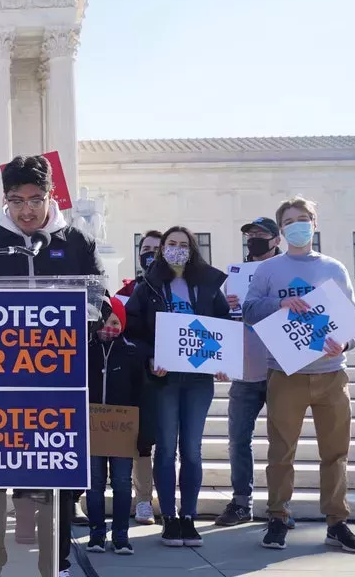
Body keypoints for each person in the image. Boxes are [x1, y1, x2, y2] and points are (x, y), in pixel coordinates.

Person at [0, 155, 102, 577]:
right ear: (5, 200)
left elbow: (97, 298)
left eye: (36, 199)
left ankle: (55, 563)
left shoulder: (75, 242)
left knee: (53, 477)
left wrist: (98, 311)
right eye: (17, 200)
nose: (27, 210)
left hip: (56, 384)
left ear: (50, 196)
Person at [244, 197, 355, 554]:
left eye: (303, 219)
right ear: (281, 230)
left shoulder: (334, 268)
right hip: (285, 373)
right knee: (281, 452)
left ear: (314, 223)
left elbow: (353, 319)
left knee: (335, 452)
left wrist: (343, 345)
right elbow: (250, 310)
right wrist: (279, 303)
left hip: (332, 374)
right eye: (289, 221)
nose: (296, 225)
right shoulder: (269, 270)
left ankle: (337, 522)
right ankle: (278, 518)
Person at [125, 226, 230, 548]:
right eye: (171, 244)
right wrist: (150, 357)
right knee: (167, 449)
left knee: (193, 452)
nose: (176, 249)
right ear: (161, 249)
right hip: (165, 379)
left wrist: (224, 361)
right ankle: (169, 518)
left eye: (183, 245)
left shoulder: (208, 285)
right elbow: (134, 331)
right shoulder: (149, 287)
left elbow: (224, 325)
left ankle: (189, 517)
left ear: (193, 249)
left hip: (198, 380)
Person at [216, 217, 293, 528]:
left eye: (261, 234)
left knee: (282, 442)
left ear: (276, 240)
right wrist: (226, 306)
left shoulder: (288, 271)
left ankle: (280, 507)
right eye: (250, 235)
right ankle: (240, 502)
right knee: (238, 440)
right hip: (246, 368)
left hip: (282, 367)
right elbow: (220, 322)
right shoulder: (234, 275)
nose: (254, 239)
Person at [84, 297, 143, 556]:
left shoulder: (132, 352)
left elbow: (141, 393)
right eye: (106, 321)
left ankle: (121, 535)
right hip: (92, 427)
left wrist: (144, 432)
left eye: (116, 321)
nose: (110, 326)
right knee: (95, 482)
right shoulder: (86, 351)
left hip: (122, 429)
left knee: (121, 482)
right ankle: (97, 533)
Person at [118, 229, 163, 526]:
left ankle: (162, 499)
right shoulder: (126, 292)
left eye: (156, 250)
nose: (149, 254)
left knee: (169, 442)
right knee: (141, 441)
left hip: (172, 377)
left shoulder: (178, 291)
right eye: (145, 249)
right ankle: (143, 499)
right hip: (138, 378)